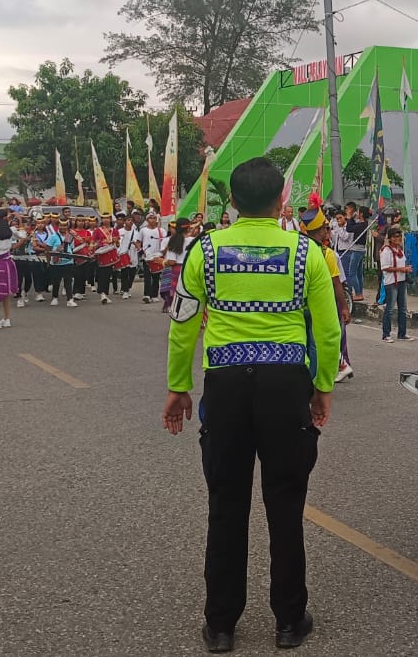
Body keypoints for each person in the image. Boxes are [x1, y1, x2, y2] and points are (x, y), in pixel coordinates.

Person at [162, 158, 341, 653]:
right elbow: (328, 331)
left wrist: (179, 385)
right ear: (282, 200)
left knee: (226, 504)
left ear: (233, 202)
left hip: (225, 388)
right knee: (286, 504)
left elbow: (182, 323)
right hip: (286, 386)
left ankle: (221, 625)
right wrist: (322, 386)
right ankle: (289, 620)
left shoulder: (204, 251)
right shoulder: (306, 253)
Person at [300, 207, 354, 383]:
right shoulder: (327, 253)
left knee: (305, 342)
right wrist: (344, 307)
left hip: (301, 305)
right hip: (321, 306)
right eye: (326, 228)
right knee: (317, 343)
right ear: (321, 230)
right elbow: (336, 283)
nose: (328, 231)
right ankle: (316, 378)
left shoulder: (300, 251)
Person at [377, 226, 411, 343]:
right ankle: (386, 334)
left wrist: (406, 269)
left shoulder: (399, 250)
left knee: (403, 309)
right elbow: (385, 267)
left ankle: (402, 333)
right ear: (390, 238)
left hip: (401, 281)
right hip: (391, 283)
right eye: (395, 236)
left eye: (399, 236)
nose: (398, 238)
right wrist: (401, 269)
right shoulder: (386, 251)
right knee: (390, 309)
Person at [137, 212, 165, 303]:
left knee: (156, 277)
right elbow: (138, 242)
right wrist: (141, 251)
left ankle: (154, 295)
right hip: (147, 256)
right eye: (150, 218)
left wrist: (163, 253)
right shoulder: (143, 230)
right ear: (147, 220)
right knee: (147, 277)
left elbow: (165, 242)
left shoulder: (161, 230)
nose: (152, 220)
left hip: (157, 256)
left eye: (154, 218)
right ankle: (147, 295)